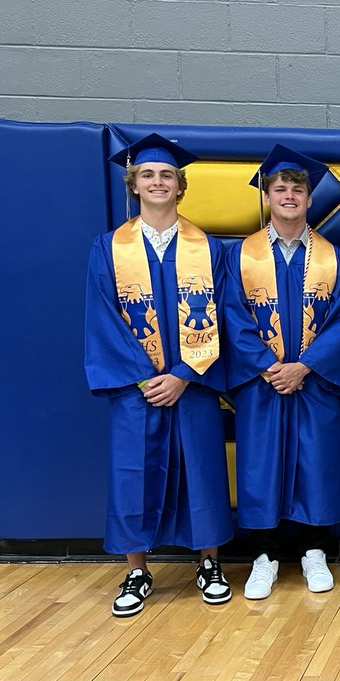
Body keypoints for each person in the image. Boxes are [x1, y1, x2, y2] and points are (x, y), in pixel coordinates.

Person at [84, 133, 232, 617]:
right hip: (138, 388)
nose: (158, 182)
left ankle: (209, 563)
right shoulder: (108, 248)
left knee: (202, 469)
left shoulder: (208, 249)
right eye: (148, 175)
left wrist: (186, 374)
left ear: (179, 185)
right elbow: (102, 317)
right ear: (134, 185)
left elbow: (224, 316)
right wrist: (148, 377)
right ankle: (137, 569)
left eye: (167, 175)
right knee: (134, 473)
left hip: (193, 383)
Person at [222, 145, 340, 600]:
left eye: (298, 188)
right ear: (267, 196)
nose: (290, 195)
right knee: (261, 464)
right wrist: (267, 366)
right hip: (262, 383)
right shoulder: (241, 255)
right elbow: (230, 316)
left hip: (312, 380)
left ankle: (314, 551)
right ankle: (264, 557)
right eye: (280, 188)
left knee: (315, 462)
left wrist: (306, 366)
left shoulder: (333, 257)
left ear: (310, 198)